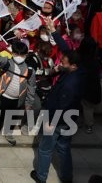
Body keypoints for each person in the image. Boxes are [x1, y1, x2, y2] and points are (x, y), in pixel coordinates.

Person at [31, 49, 84, 183]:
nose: (61, 65)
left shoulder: (69, 84)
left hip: (57, 119)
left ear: (73, 66)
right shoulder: (76, 74)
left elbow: (62, 105)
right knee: (63, 148)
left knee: (45, 148)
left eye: (64, 64)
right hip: (69, 119)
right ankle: (67, 177)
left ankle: (41, 176)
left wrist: (51, 122)